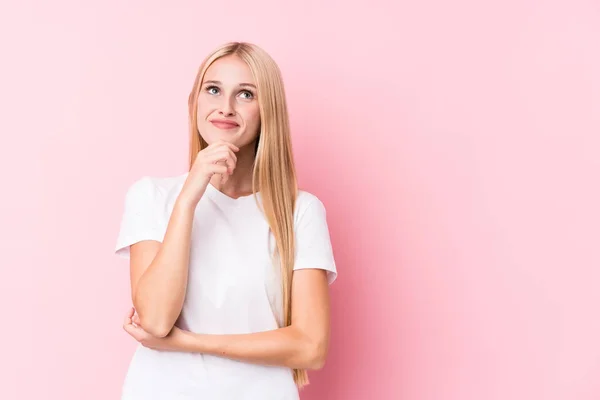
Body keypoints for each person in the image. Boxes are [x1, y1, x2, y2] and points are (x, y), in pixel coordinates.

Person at [114, 41, 338, 400]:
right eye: (213, 89)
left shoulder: (301, 212)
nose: (226, 107)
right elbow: (155, 319)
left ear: (269, 111)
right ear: (195, 102)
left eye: (246, 94)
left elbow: (311, 347)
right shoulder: (152, 196)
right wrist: (189, 198)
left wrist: (189, 343)